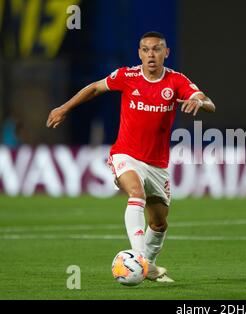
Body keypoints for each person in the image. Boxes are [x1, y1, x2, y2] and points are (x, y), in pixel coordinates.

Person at [46, 31, 216, 282]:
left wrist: (199, 102)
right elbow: (95, 88)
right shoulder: (127, 76)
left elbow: (208, 102)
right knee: (136, 193)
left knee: (159, 224)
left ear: (166, 53)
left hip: (157, 164)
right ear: (139, 53)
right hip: (126, 154)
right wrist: (64, 107)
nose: (151, 54)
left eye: (157, 49)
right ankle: (138, 260)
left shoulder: (176, 81)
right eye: (145, 49)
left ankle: (149, 265)